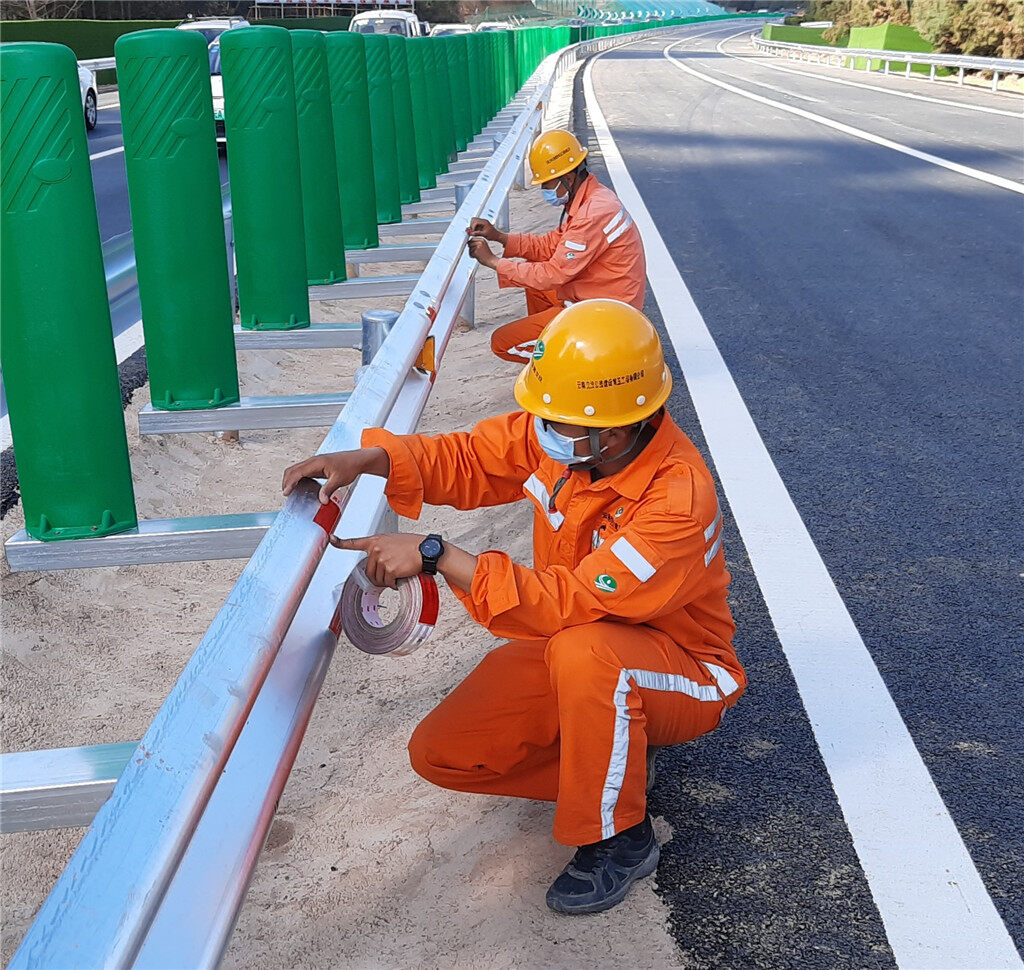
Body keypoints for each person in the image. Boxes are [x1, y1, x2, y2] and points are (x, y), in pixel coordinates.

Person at [282, 300, 744, 914]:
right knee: (445, 752)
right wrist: (374, 460)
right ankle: (619, 763)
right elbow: (474, 457)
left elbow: (570, 603)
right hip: (578, 648)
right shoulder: (577, 438)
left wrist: (436, 555)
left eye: (555, 420)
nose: (540, 428)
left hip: (683, 669)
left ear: (613, 430)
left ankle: (619, 837)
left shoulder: (675, 499)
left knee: (587, 652)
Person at [465, 129, 647, 364]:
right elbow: (549, 245)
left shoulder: (592, 213)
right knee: (533, 279)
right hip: (598, 294)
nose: (545, 191)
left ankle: (565, 363)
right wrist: (498, 236)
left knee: (501, 342)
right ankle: (553, 339)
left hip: (607, 315)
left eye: (547, 184)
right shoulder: (590, 198)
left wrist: (493, 262)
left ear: (568, 178)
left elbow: (553, 274)